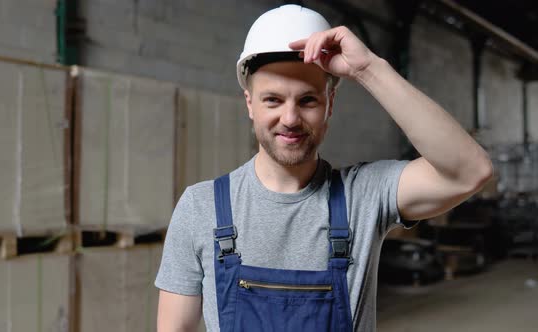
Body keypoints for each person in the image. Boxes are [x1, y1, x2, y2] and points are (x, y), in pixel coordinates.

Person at [155, 4, 492, 332]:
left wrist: (368, 69)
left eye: (308, 100)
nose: (289, 119)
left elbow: (470, 171)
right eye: (273, 99)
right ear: (250, 104)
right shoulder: (201, 208)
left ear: (329, 105)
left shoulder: (364, 195)